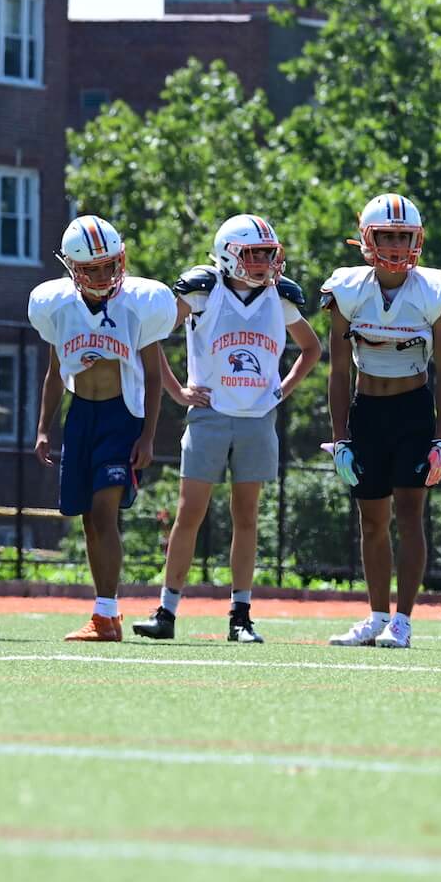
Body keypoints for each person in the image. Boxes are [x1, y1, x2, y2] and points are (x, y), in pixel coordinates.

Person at [132, 215, 322, 644]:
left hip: (258, 418)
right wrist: (178, 392)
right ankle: (166, 610)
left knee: (246, 518)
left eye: (267, 254)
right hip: (211, 415)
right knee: (189, 513)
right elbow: (150, 337)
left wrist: (283, 389)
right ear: (228, 254)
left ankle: (240, 615)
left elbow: (312, 348)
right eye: (253, 253)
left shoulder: (281, 296)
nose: (262, 262)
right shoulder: (203, 289)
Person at [321, 194, 441, 650]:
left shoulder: (436, 292)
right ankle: (376, 615)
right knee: (371, 520)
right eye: (386, 235)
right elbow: (339, 371)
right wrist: (340, 438)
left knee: (410, 514)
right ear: (366, 238)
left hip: (412, 411)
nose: (395, 244)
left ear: (418, 238)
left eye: (403, 235)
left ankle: (402, 620)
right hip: (367, 411)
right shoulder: (347, 289)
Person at [28, 216, 176, 641]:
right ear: (72, 268)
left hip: (120, 417)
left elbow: (152, 375)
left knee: (104, 511)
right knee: (88, 519)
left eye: (108, 265)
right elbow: (56, 372)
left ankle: (105, 613)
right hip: (81, 417)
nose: (102, 275)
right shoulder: (56, 306)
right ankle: (106, 614)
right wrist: (43, 428)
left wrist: (147, 434)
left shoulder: (139, 303)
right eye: (90, 268)